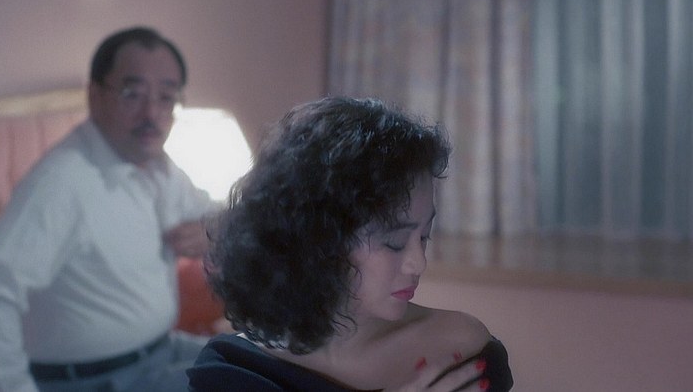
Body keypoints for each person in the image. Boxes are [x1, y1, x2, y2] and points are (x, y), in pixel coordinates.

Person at [187, 97, 513, 391]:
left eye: (424, 236)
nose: (419, 263)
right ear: (319, 239)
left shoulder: (460, 350)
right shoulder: (235, 372)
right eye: (395, 242)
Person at [0, 26, 219, 392]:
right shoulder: (61, 183)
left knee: (267, 364)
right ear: (95, 96)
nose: (151, 113)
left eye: (166, 97)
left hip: (160, 351)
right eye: (132, 94)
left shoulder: (157, 167)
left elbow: (209, 212)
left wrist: (213, 229)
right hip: (98, 380)